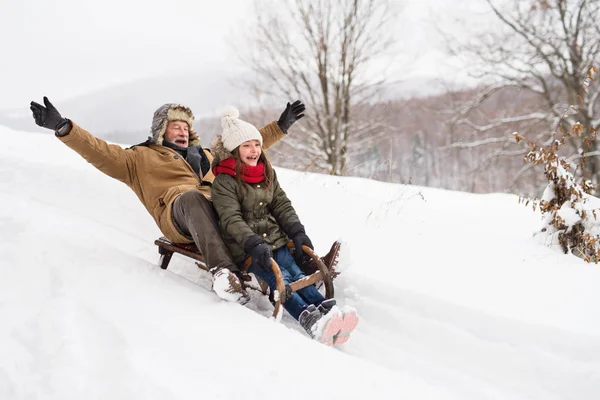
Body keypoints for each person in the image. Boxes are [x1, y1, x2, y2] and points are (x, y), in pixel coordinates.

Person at [29, 96, 306, 304]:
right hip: (179, 213)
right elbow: (98, 151)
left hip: (219, 210)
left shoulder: (207, 155)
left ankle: (299, 256)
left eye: (186, 127)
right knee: (193, 197)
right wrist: (64, 127)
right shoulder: (139, 158)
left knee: (252, 194)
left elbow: (245, 147)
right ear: (161, 129)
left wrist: (280, 126)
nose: (183, 131)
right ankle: (225, 274)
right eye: (175, 126)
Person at [210, 106, 359, 346]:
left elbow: (281, 205)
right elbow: (231, 219)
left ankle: (325, 310)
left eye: (257, 144)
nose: (254, 150)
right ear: (234, 151)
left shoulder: (265, 172)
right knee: (283, 281)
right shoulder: (224, 182)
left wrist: (297, 232)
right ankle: (307, 318)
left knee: (297, 274)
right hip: (249, 249)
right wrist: (252, 242)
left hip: (276, 241)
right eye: (247, 145)